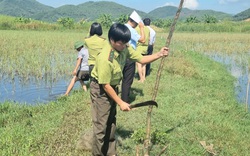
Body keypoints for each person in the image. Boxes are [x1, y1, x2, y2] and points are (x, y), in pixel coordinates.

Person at [90, 23, 169, 156]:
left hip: (112, 87)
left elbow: (141, 58)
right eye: (121, 43)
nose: (124, 46)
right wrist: (121, 102)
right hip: (101, 90)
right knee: (101, 127)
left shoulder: (124, 48)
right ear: (112, 40)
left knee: (111, 122)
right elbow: (105, 85)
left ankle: (110, 152)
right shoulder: (105, 58)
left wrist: (159, 54)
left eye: (126, 43)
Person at [121, 10, 145, 103]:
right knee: (127, 80)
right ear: (134, 22)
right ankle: (125, 101)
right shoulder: (131, 30)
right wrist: (142, 28)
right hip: (129, 57)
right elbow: (142, 40)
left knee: (119, 78)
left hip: (120, 56)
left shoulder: (123, 27)